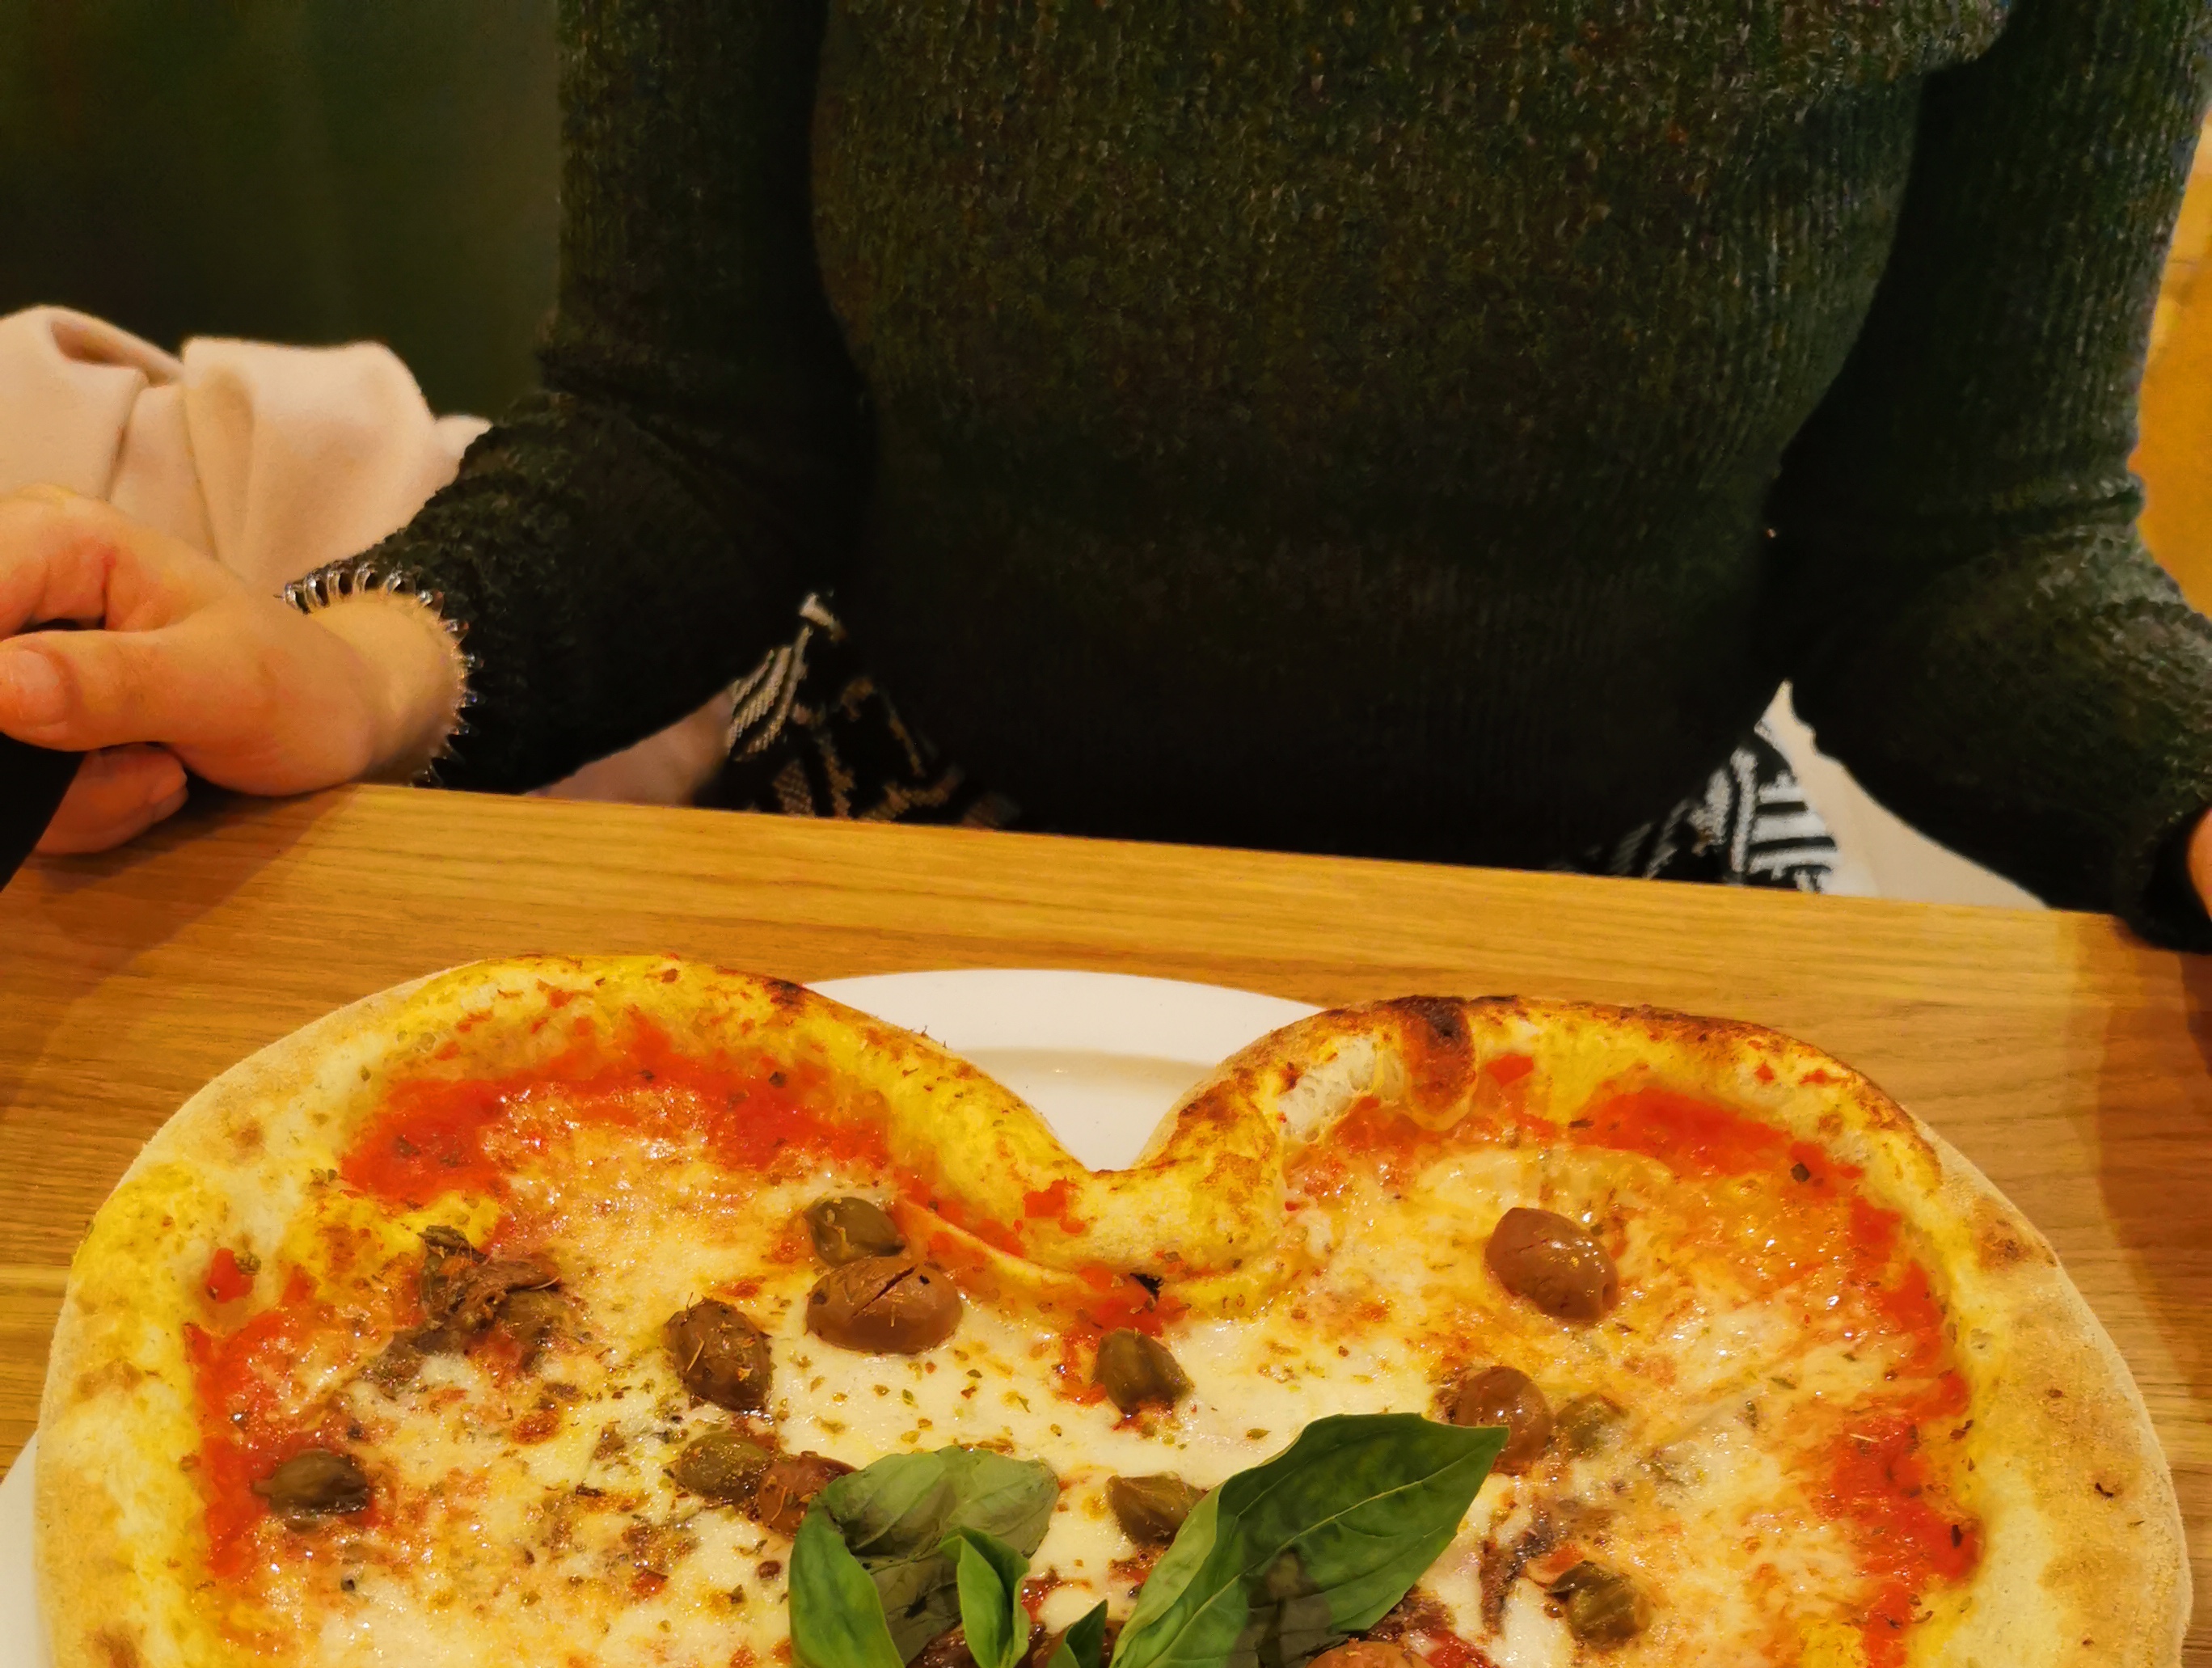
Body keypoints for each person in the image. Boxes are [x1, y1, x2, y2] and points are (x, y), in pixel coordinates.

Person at [4, 0, 2211, 938]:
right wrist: (349, 668)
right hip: (911, 858)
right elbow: (693, 439)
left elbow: (1963, 558)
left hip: (1627, 911)